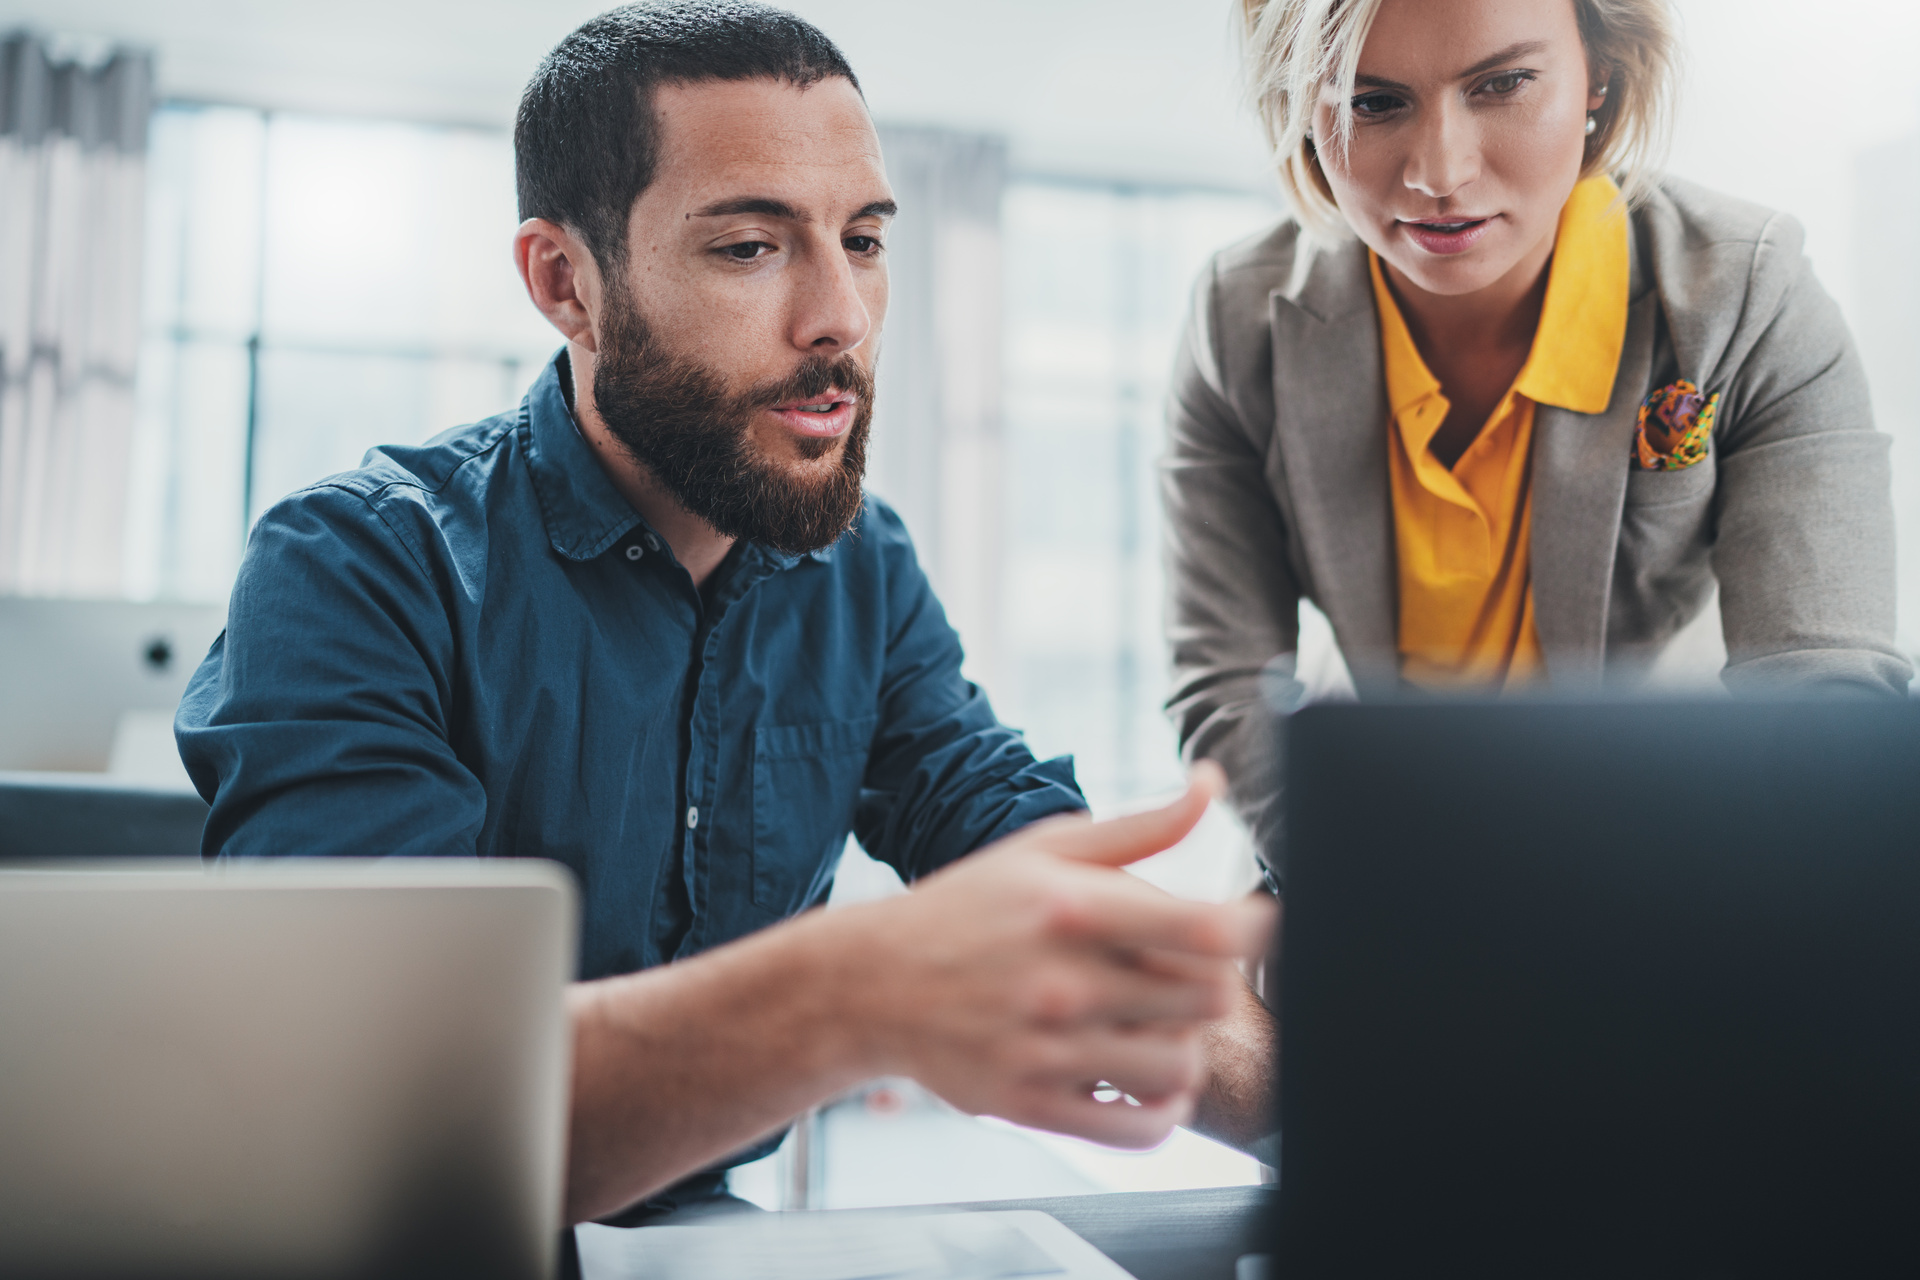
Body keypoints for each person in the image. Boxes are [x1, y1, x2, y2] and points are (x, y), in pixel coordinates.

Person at [176, 2, 1272, 1230]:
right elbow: (401, 1112)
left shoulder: (863, 566)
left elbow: (991, 816)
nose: (840, 318)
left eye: (862, 239)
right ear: (565, 282)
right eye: (751, 247)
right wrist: (860, 991)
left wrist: (1304, 1083)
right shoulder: (357, 564)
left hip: (688, 1230)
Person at [1162, 0, 1913, 1146]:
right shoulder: (1237, 320)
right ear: (1302, 111)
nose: (1438, 171)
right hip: (1358, 886)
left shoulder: (1745, 295)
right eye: (1373, 102)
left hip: (1672, 871)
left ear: (1600, 79)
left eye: (1502, 85)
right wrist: (1385, 893)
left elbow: (1826, 691)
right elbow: (1223, 684)